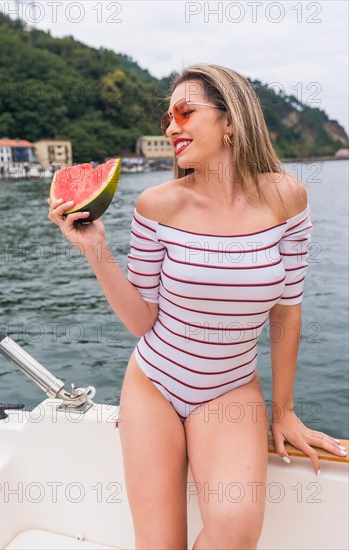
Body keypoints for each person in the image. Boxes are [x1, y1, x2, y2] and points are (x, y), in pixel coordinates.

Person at [48, 64, 346, 550]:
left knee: (235, 529)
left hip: (230, 389)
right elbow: (143, 321)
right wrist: (95, 250)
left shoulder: (288, 199)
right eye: (168, 117)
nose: (170, 127)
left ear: (230, 121)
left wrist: (284, 411)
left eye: (185, 112)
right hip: (154, 386)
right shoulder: (156, 205)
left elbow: (287, 312)